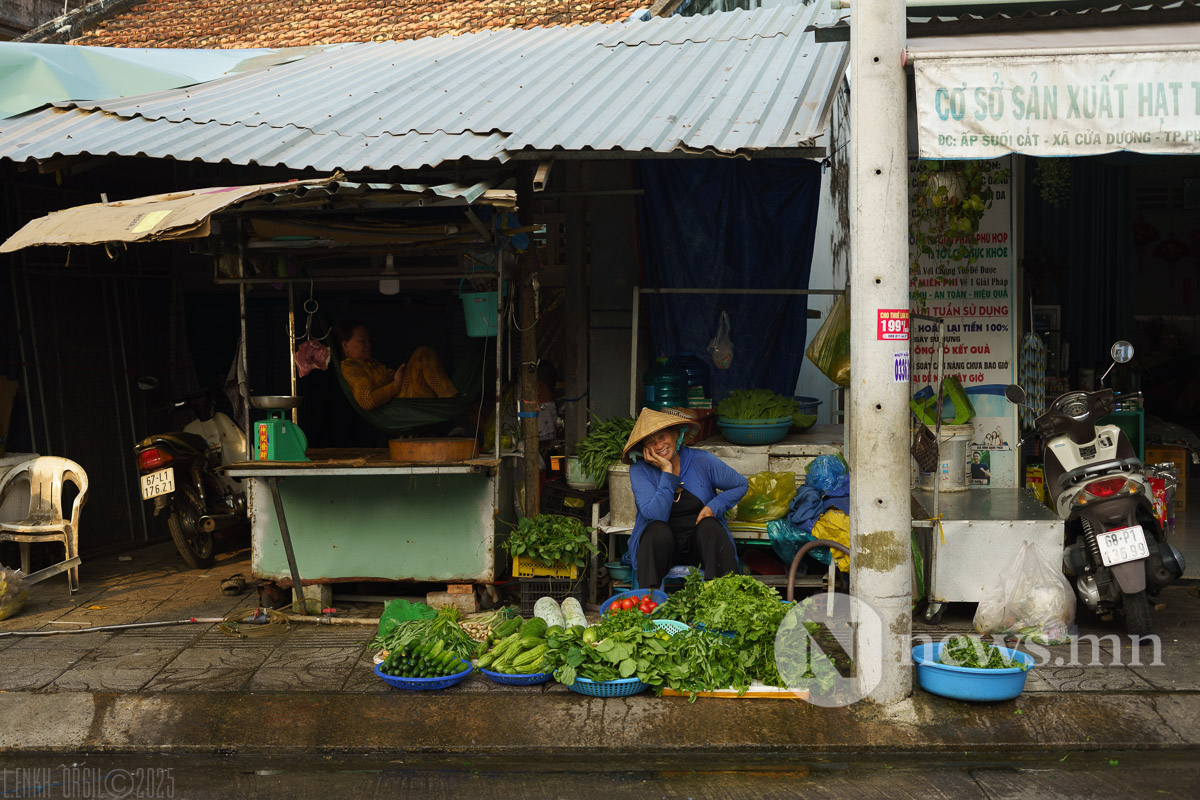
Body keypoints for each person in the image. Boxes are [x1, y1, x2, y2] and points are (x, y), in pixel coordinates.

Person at [623, 408, 748, 589]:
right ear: (644, 450)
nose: (659, 446)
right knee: (656, 530)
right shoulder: (640, 470)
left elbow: (740, 485)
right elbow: (656, 515)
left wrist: (715, 506)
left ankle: (725, 597)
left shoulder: (702, 461)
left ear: (676, 434)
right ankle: (649, 601)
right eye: (651, 442)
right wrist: (667, 471)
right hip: (663, 550)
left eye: (663, 437)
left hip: (700, 546)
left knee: (711, 526)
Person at [333, 319, 458, 410]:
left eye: (368, 340)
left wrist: (400, 374)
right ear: (345, 346)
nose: (368, 344)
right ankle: (452, 401)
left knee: (424, 354)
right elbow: (367, 401)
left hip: (405, 399)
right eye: (362, 341)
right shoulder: (351, 369)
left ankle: (451, 400)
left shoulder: (369, 362)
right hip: (400, 408)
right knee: (422, 353)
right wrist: (396, 384)